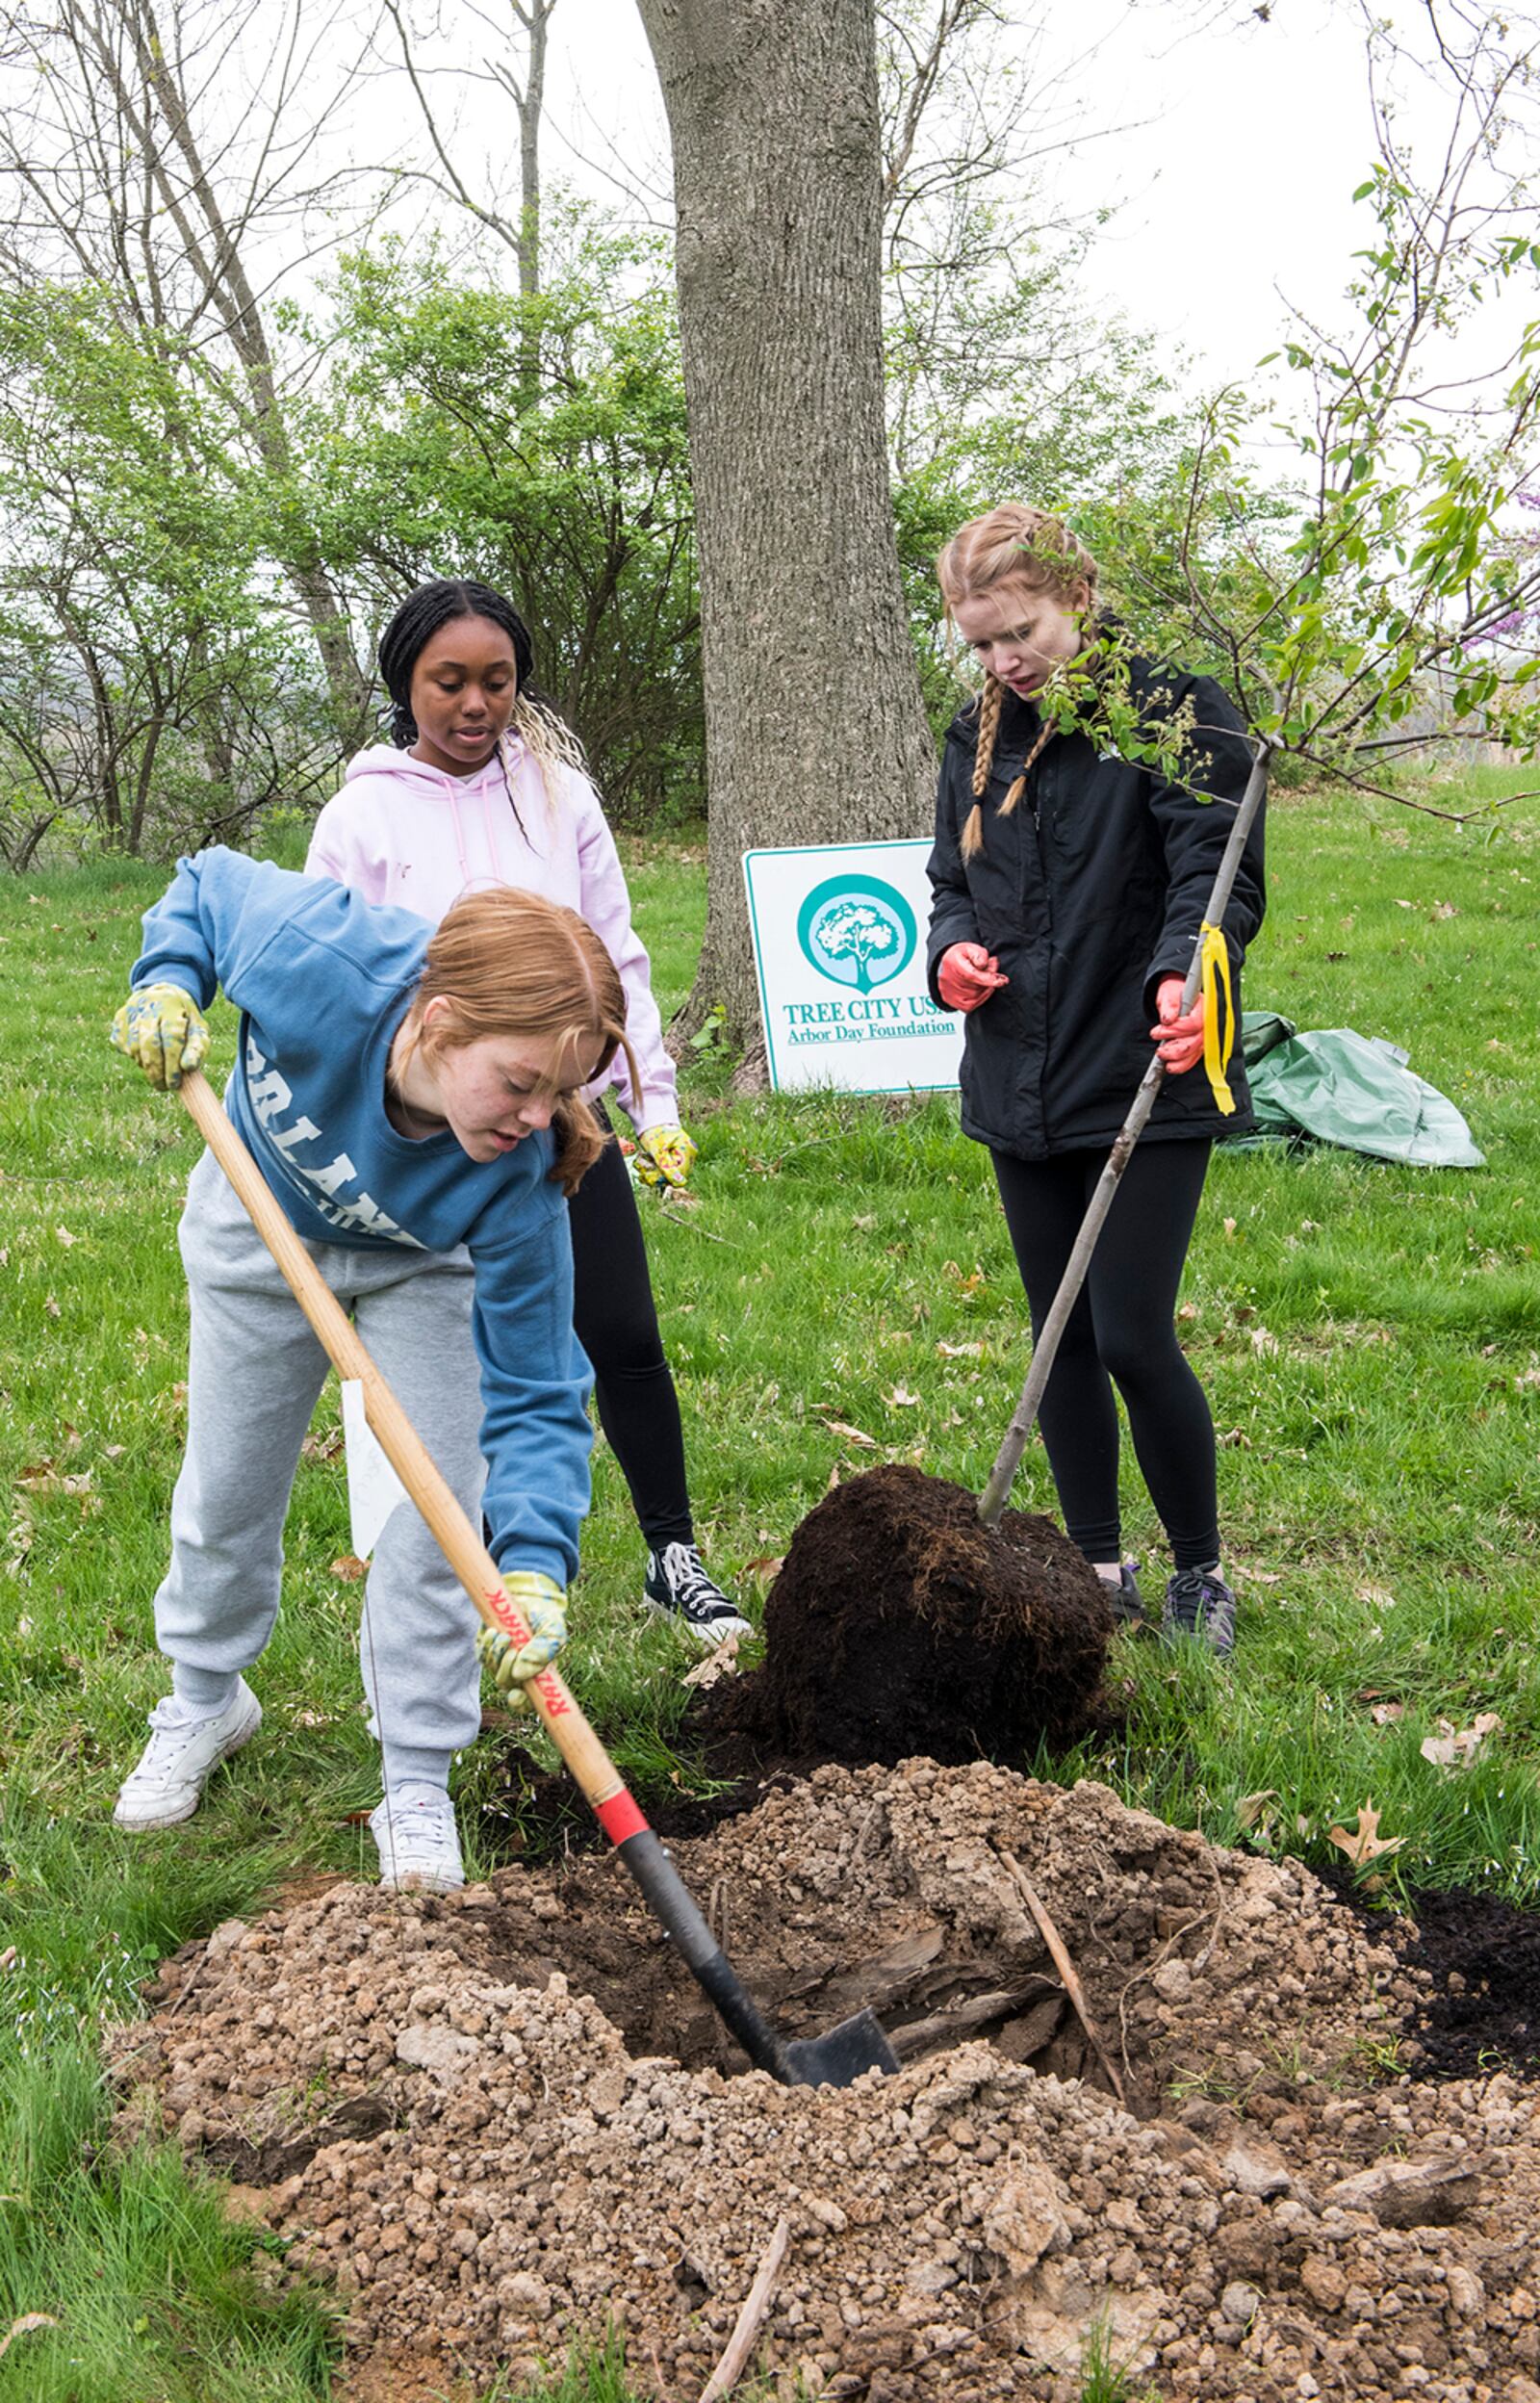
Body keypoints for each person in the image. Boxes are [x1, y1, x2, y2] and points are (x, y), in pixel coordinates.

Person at [109, 853, 641, 1892]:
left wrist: (534, 1559)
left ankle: (415, 1775)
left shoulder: (519, 1179)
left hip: (423, 1261)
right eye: (520, 1083)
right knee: (230, 1482)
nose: (538, 1116)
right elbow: (206, 887)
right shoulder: (324, 963)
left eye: (559, 1093)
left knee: (437, 1512)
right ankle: (206, 1697)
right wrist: (168, 977)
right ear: (438, 1025)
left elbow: (536, 1390)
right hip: (258, 1210)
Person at [305, 577, 749, 1646]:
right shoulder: (363, 812)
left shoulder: (558, 798)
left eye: (496, 682)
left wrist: (653, 1099)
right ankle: (493, 1583)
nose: (474, 705)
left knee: (621, 1332)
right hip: (428, 1145)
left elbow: (621, 957)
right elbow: (331, 979)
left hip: (563, 1126)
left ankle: (671, 1553)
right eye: (447, 682)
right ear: (402, 684)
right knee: (469, 1369)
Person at [926, 504, 1266, 1656]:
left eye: (1016, 631)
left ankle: (1199, 1576)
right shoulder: (976, 733)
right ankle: (1095, 1564)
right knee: (1055, 1334)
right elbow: (949, 883)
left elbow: (1214, 877)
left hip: (1142, 1071)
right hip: (1017, 1073)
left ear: (1074, 596)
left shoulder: (1173, 713)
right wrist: (950, 955)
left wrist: (1185, 976)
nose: (1001, 660)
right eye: (978, 643)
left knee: (1128, 1333)